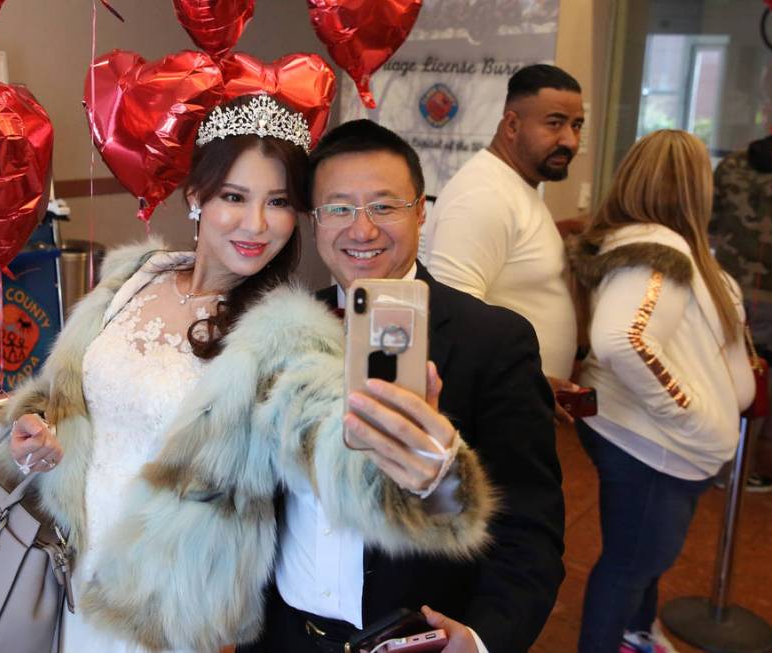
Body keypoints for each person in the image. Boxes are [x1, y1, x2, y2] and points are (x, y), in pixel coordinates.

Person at [0, 94, 496, 653]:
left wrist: (431, 466)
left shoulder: (285, 334)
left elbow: (335, 457)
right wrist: (30, 432)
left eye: (278, 201)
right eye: (235, 196)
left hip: (161, 616)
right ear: (195, 197)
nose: (257, 223)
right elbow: (60, 398)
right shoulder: (131, 278)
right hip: (62, 569)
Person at [239, 119, 565, 653]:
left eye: (385, 206)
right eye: (339, 209)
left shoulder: (492, 342)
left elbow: (527, 528)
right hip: (281, 637)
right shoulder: (283, 330)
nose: (362, 230)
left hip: (411, 640)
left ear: (421, 212)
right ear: (315, 222)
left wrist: (484, 641)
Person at [567, 130, 755, 653]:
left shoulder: (655, 247)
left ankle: (636, 632)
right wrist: (689, 415)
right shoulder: (658, 250)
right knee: (631, 564)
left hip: (652, 441)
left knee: (642, 560)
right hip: (652, 445)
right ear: (698, 188)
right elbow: (621, 341)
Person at [422, 64, 584, 423]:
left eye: (576, 125)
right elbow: (452, 318)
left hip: (518, 401)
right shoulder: (484, 194)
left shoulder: (514, 186)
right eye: (555, 123)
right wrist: (531, 383)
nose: (571, 140)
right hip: (499, 407)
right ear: (512, 125)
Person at [709, 102, 772, 493]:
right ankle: (738, 468)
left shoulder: (733, 164)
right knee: (761, 379)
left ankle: (711, 456)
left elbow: (708, 221)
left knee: (721, 371)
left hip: (724, 287)